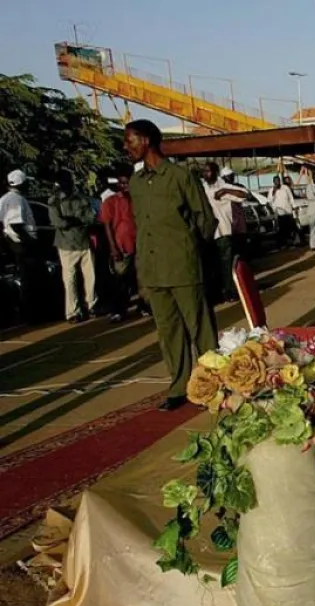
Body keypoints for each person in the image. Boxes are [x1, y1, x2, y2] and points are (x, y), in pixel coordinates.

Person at [125, 119, 219, 412]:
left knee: (200, 329)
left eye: (130, 140)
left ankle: (212, 386)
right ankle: (179, 387)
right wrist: (141, 271)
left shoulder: (180, 176)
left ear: (147, 141)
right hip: (153, 270)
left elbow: (205, 218)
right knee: (169, 333)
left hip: (183, 266)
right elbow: (141, 228)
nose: (126, 146)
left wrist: (194, 251)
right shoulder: (136, 183)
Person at [49, 172, 100, 324]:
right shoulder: (55, 201)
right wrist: (77, 221)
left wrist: (72, 221)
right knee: (69, 280)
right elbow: (58, 222)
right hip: (66, 245)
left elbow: (91, 218)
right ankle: (72, 312)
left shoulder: (80, 198)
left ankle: (91, 305)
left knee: (90, 276)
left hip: (83, 242)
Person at [99, 171, 148, 321]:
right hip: (121, 246)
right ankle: (119, 310)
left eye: (127, 183)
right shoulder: (110, 201)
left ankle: (144, 306)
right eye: (122, 183)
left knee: (143, 278)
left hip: (139, 244)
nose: (125, 186)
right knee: (121, 280)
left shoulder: (138, 200)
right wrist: (113, 248)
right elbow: (107, 225)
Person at [201, 162, 250, 303]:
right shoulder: (203, 188)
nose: (205, 174)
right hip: (209, 234)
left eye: (208, 171)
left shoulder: (222, 186)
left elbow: (245, 194)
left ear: (215, 172)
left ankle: (230, 292)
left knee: (227, 265)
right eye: (204, 171)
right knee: (214, 266)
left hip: (223, 232)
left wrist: (225, 191)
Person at [1, 169, 39, 320]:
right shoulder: (16, 199)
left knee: (24, 277)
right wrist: (29, 241)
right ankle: (31, 313)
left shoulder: (4, 198)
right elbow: (16, 224)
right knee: (28, 278)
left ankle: (26, 311)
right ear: (21, 184)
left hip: (12, 242)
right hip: (20, 244)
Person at [270, 175, 298, 247]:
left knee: (290, 228)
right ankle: (283, 244)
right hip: (279, 214)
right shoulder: (271, 190)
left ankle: (291, 242)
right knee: (281, 230)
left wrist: (294, 206)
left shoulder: (285, 188)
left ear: (280, 181)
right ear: (273, 182)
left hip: (288, 212)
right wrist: (273, 192)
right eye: (275, 181)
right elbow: (270, 201)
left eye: (278, 180)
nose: (277, 182)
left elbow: (291, 198)